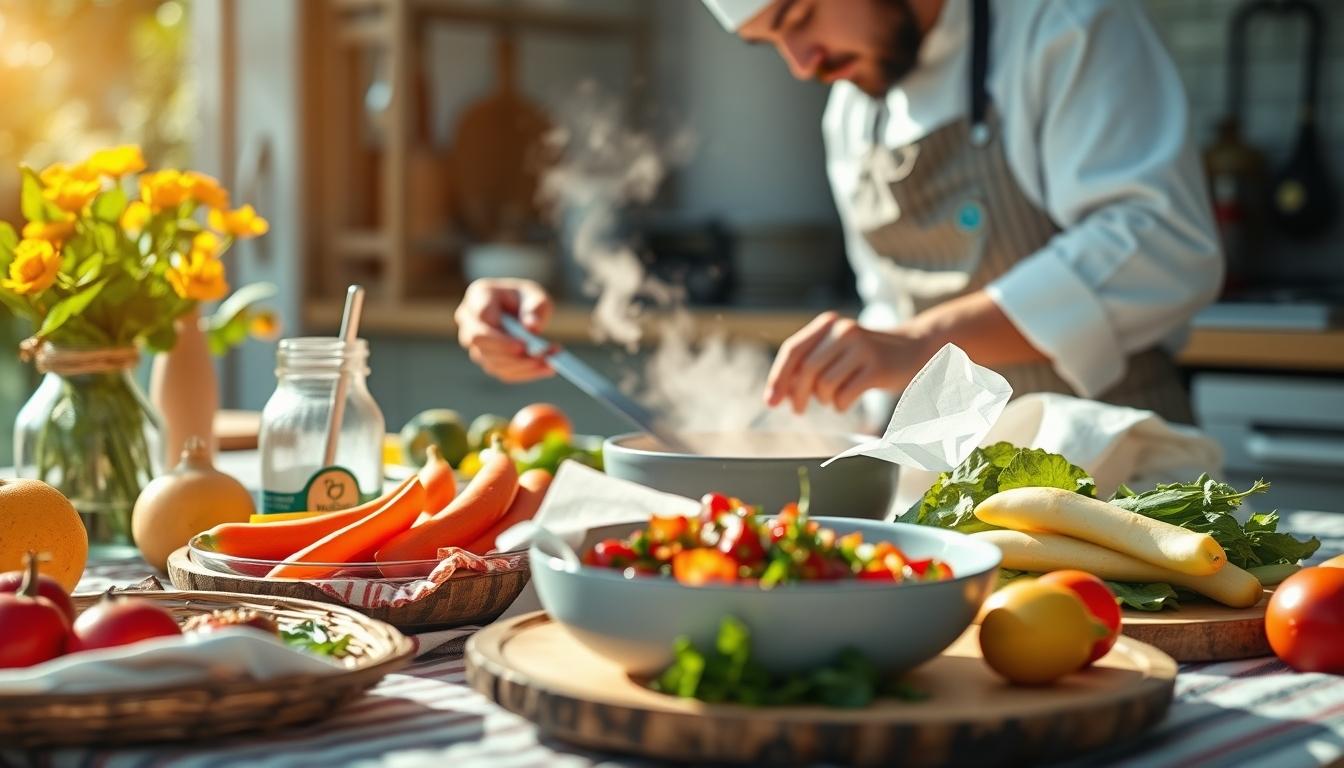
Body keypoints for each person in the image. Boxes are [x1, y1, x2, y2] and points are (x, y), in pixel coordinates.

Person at [455, 0, 1220, 425]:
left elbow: (1160, 245)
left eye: (800, 16)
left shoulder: (1065, 25)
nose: (801, 64)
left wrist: (913, 342)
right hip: (953, 506)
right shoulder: (856, 111)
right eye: (770, 43)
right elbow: (884, 325)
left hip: (1120, 475)